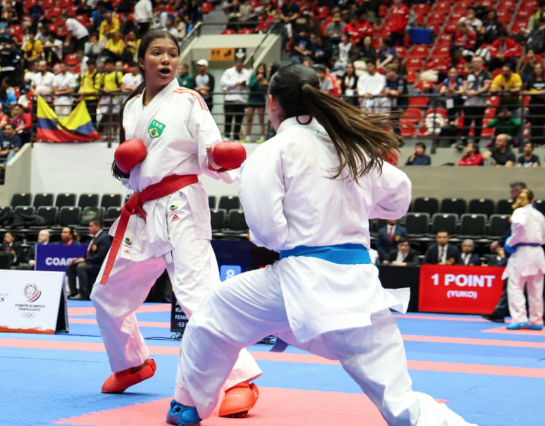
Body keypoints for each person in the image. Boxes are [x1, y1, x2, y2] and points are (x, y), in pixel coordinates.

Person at [168, 63, 476, 426]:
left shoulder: (274, 150)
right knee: (400, 401)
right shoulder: (352, 149)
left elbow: (268, 232)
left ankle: (188, 405)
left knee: (212, 314)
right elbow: (398, 198)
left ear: (271, 103)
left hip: (300, 278)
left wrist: (294, 230)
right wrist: (353, 207)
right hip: (359, 285)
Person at [91, 30, 262, 418]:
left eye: (172, 53)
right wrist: (121, 166)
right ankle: (131, 364)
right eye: (157, 53)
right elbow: (129, 170)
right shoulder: (131, 107)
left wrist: (221, 158)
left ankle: (239, 380)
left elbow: (210, 150)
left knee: (198, 295)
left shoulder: (188, 100)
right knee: (106, 295)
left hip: (181, 204)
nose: (166, 59)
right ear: (142, 61)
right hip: (143, 210)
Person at [503, 189, 545, 330]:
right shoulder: (539, 215)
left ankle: (519, 318)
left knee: (516, 286)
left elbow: (520, 227)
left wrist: (510, 242)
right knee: (536, 289)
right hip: (538, 252)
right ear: (533, 200)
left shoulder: (519, 212)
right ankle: (537, 320)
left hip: (522, 251)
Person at [68, 219, 111, 301]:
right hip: (91, 263)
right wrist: (79, 259)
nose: (89, 228)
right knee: (71, 266)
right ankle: (74, 292)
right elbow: (88, 253)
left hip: (99, 265)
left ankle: (84, 294)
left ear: (98, 226)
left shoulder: (104, 237)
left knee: (81, 267)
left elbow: (100, 256)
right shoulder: (95, 237)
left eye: (91, 226)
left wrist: (85, 260)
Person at [462, 56, 492, 147]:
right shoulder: (468, 75)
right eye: (474, 62)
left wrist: (476, 92)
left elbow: (486, 86)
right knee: (467, 121)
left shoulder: (486, 74)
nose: (476, 64)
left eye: (478, 62)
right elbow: (464, 86)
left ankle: (476, 141)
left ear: (482, 63)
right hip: (469, 102)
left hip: (480, 102)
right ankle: (464, 140)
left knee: (478, 121)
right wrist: (467, 92)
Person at [221, 59, 251, 141]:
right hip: (230, 99)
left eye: (241, 65)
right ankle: (226, 136)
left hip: (241, 100)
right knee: (228, 118)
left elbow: (249, 83)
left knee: (239, 119)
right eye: (238, 65)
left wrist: (244, 84)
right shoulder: (228, 71)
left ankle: (236, 137)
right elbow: (223, 83)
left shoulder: (247, 72)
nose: (240, 66)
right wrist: (235, 83)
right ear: (235, 64)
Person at [244, 63, 268, 143]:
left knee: (261, 119)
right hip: (252, 100)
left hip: (261, 100)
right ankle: (247, 137)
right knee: (249, 119)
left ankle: (262, 137)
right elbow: (250, 86)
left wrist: (265, 85)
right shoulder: (253, 76)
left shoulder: (266, 78)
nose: (261, 70)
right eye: (260, 68)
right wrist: (257, 79)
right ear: (257, 69)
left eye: (262, 69)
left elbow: (267, 91)